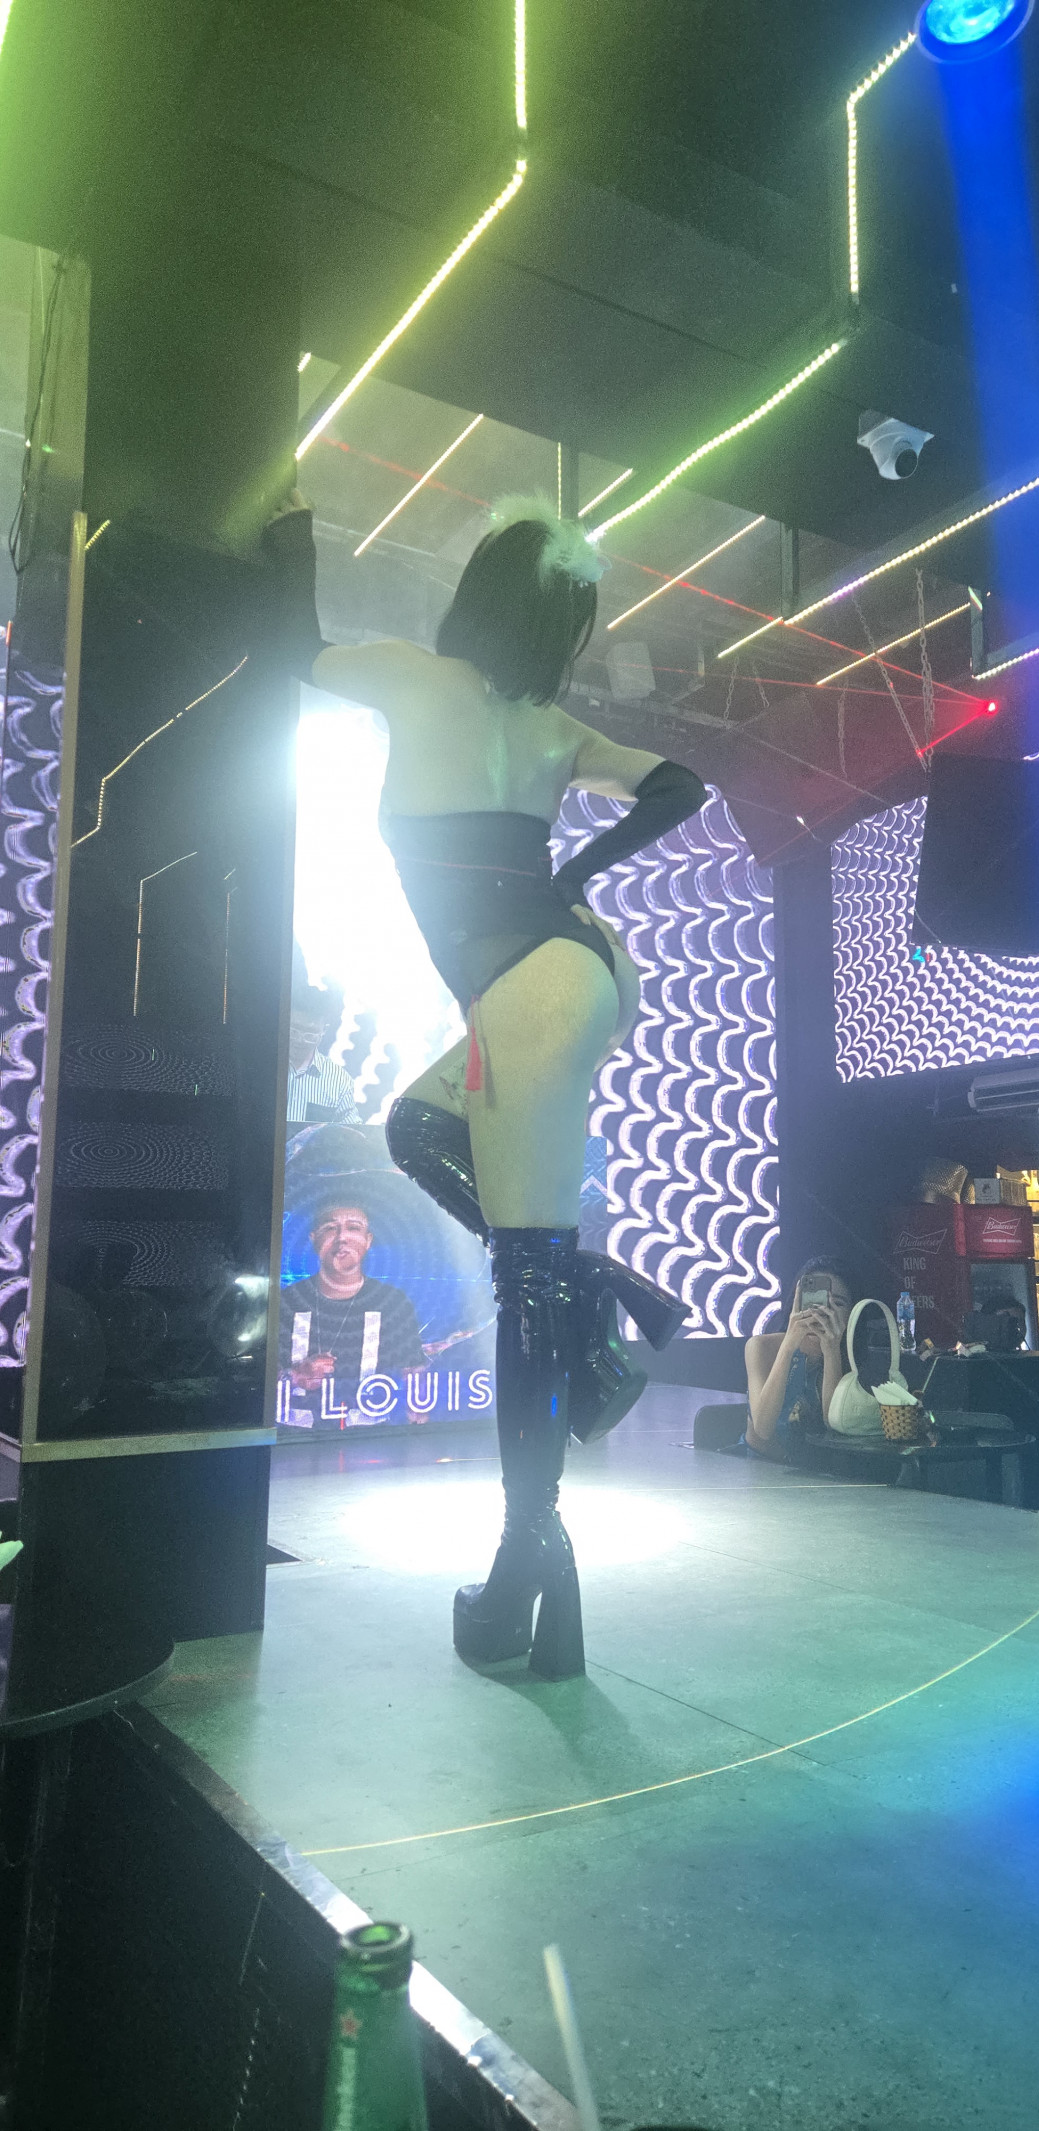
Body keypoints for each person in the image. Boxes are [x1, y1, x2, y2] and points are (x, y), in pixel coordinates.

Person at [262, 492, 706, 1679]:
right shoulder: (552, 728)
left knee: (527, 1282)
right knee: (416, 1128)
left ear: (479, 593)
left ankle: (527, 1564)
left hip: (527, 990)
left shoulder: (413, 678)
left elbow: (293, 643)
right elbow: (680, 784)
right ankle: (605, 1302)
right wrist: (580, 875)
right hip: (574, 971)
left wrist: (292, 539)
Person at [279, 1200, 426, 1416]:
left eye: (354, 1228)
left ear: (368, 1240)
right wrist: (294, 1376)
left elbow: (414, 1378)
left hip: (374, 1433)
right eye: (330, 1228)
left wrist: (418, 1424)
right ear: (313, 1238)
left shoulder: (393, 1303)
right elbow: (256, 1377)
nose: (342, 1238)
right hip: (293, 1432)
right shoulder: (286, 1301)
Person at [743, 1257, 854, 1461]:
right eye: (817, 1301)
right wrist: (789, 1343)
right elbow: (763, 1429)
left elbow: (833, 1428)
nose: (824, 1312)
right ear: (797, 1302)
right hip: (757, 1465)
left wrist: (831, 1352)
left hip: (816, 1469)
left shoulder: (850, 1359)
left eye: (837, 1304)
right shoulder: (761, 1346)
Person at [287, 986, 359, 1128]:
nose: (300, 1040)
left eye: (310, 1034)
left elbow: (351, 1131)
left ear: (324, 1030)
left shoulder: (340, 1081)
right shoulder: (262, 1066)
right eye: (294, 1030)